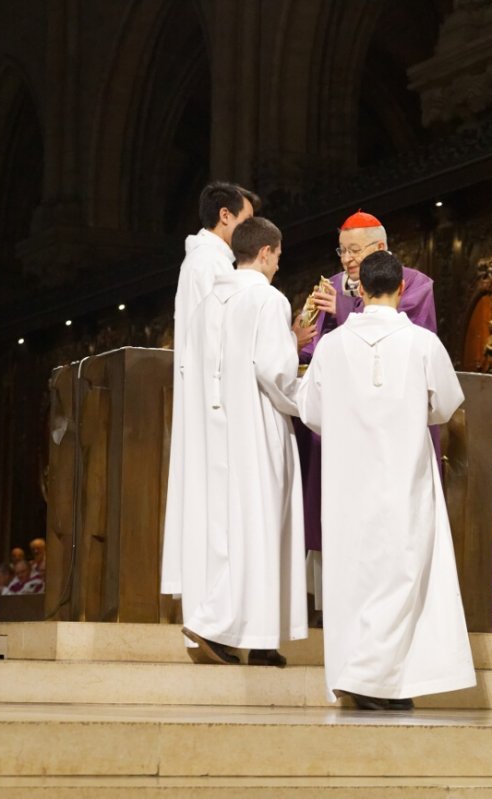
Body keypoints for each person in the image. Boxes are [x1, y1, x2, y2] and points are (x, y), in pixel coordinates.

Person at [299, 250, 474, 711]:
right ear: (400, 288)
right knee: (401, 575)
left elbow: (311, 413)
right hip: (403, 478)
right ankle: (375, 678)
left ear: (357, 290)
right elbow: (445, 404)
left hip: (345, 485)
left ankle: (374, 679)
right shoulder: (421, 343)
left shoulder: (332, 346)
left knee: (352, 579)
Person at [173, 216, 307, 667]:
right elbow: (276, 372)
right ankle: (229, 629)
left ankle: (252, 637)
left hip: (216, 431)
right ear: (266, 252)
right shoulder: (268, 299)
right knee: (265, 527)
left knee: (230, 533)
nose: (277, 266)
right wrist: (311, 403)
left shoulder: (209, 302)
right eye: (278, 257)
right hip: (258, 426)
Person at [296, 209, 439, 611]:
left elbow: (405, 337)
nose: (346, 260)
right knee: (340, 513)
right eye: (341, 251)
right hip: (345, 420)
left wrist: (343, 310)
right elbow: (313, 348)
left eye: (354, 250)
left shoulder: (411, 283)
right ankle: (330, 605)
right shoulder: (335, 284)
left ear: (380, 247)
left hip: (392, 421)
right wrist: (304, 327)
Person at [161, 181, 258, 604]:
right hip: (215, 397)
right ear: (225, 216)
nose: (252, 233)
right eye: (247, 221)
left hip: (216, 392)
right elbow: (217, 336)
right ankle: (213, 603)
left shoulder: (213, 261)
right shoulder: (207, 264)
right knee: (214, 501)